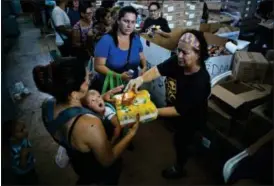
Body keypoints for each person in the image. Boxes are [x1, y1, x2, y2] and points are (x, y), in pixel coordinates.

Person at [32, 57, 140, 185]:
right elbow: (107, 160)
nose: (89, 77)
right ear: (73, 94)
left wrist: (102, 98)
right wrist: (131, 134)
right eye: (86, 78)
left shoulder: (47, 106)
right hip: (99, 172)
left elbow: (71, 107)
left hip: (79, 164)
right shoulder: (90, 125)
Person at [125, 30, 211, 179]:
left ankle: (179, 168)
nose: (179, 55)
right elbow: (158, 70)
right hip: (176, 109)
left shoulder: (200, 81)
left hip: (190, 118)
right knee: (176, 133)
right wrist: (140, 80)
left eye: (185, 52)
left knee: (182, 142)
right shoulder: (177, 61)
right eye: (178, 50)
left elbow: (179, 110)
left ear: (198, 54)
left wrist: (149, 111)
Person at [94, 6, 147, 93]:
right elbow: (98, 66)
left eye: (133, 22)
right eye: (126, 21)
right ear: (118, 21)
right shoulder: (106, 40)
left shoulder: (136, 39)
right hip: (111, 88)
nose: (129, 26)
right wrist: (118, 76)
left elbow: (141, 57)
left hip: (131, 86)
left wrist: (144, 67)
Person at [10, 120, 38, 185]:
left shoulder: (23, 139)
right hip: (22, 174)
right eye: (21, 130)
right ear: (12, 138)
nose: (26, 131)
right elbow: (22, 166)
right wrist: (23, 156)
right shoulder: (13, 150)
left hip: (30, 167)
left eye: (25, 127)